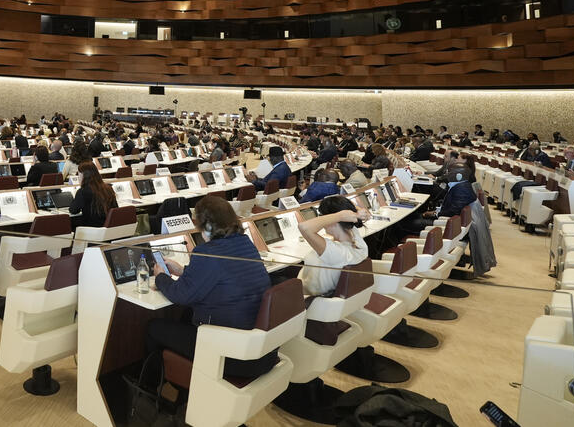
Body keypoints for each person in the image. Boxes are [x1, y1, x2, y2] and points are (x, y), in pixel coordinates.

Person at [143, 196, 276, 387]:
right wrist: (182, 271)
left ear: (206, 226)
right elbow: (218, 276)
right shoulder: (245, 243)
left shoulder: (207, 252)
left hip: (231, 351)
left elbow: (181, 295)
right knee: (186, 314)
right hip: (257, 346)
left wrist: (161, 276)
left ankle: (152, 386)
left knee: (154, 328)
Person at [297, 195, 369, 296]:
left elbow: (304, 227)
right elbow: (349, 208)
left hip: (308, 298)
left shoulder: (336, 252)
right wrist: (354, 214)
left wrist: (338, 216)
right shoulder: (357, 239)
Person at [69, 161, 116, 227]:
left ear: (83, 176)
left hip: (92, 229)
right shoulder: (108, 188)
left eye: (79, 174)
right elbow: (115, 209)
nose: (78, 177)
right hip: (108, 228)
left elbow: (73, 210)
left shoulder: (82, 192)